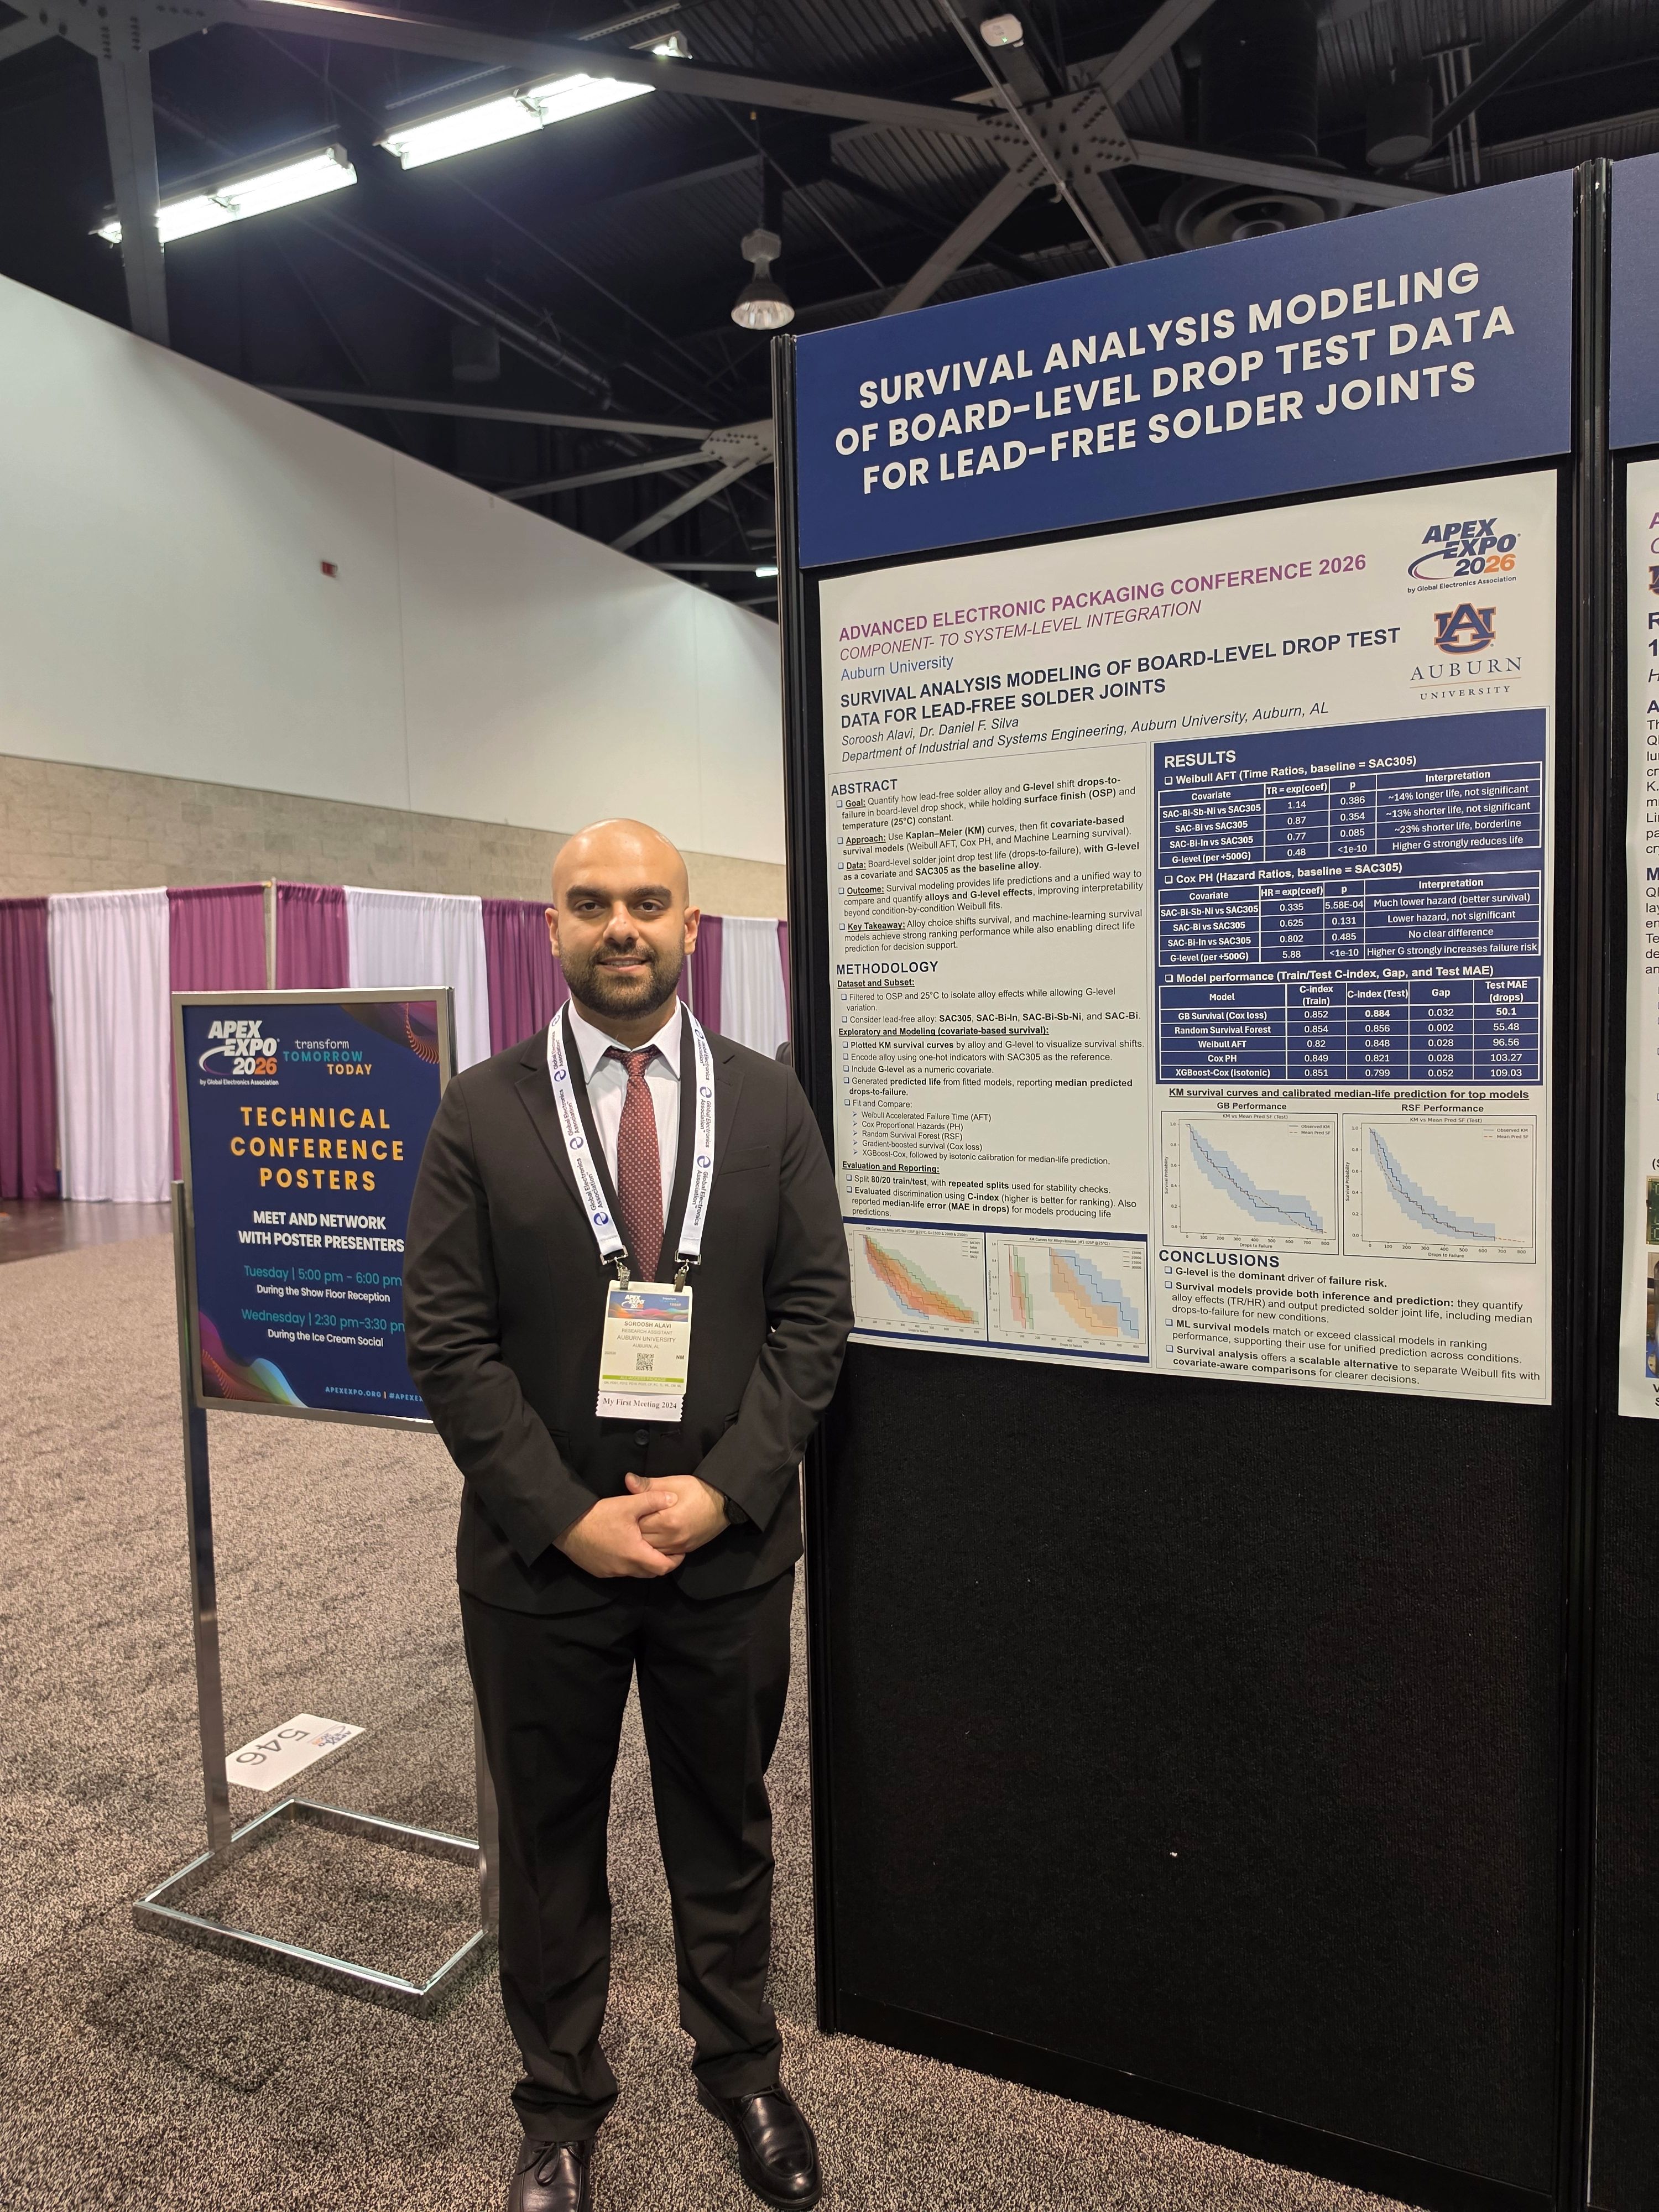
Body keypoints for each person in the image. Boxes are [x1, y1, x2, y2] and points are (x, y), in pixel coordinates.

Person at [403, 820, 852, 2212]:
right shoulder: (482, 1110)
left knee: (726, 1822)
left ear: (690, 927)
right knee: (549, 1843)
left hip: (726, 1552)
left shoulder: (768, 1102)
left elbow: (813, 1316)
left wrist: (724, 1489)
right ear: (549, 928)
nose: (621, 926)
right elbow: (447, 1338)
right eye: (591, 903)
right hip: (542, 1564)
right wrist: (566, 1515)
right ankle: (558, 2102)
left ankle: (743, 2068)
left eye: (648, 902)